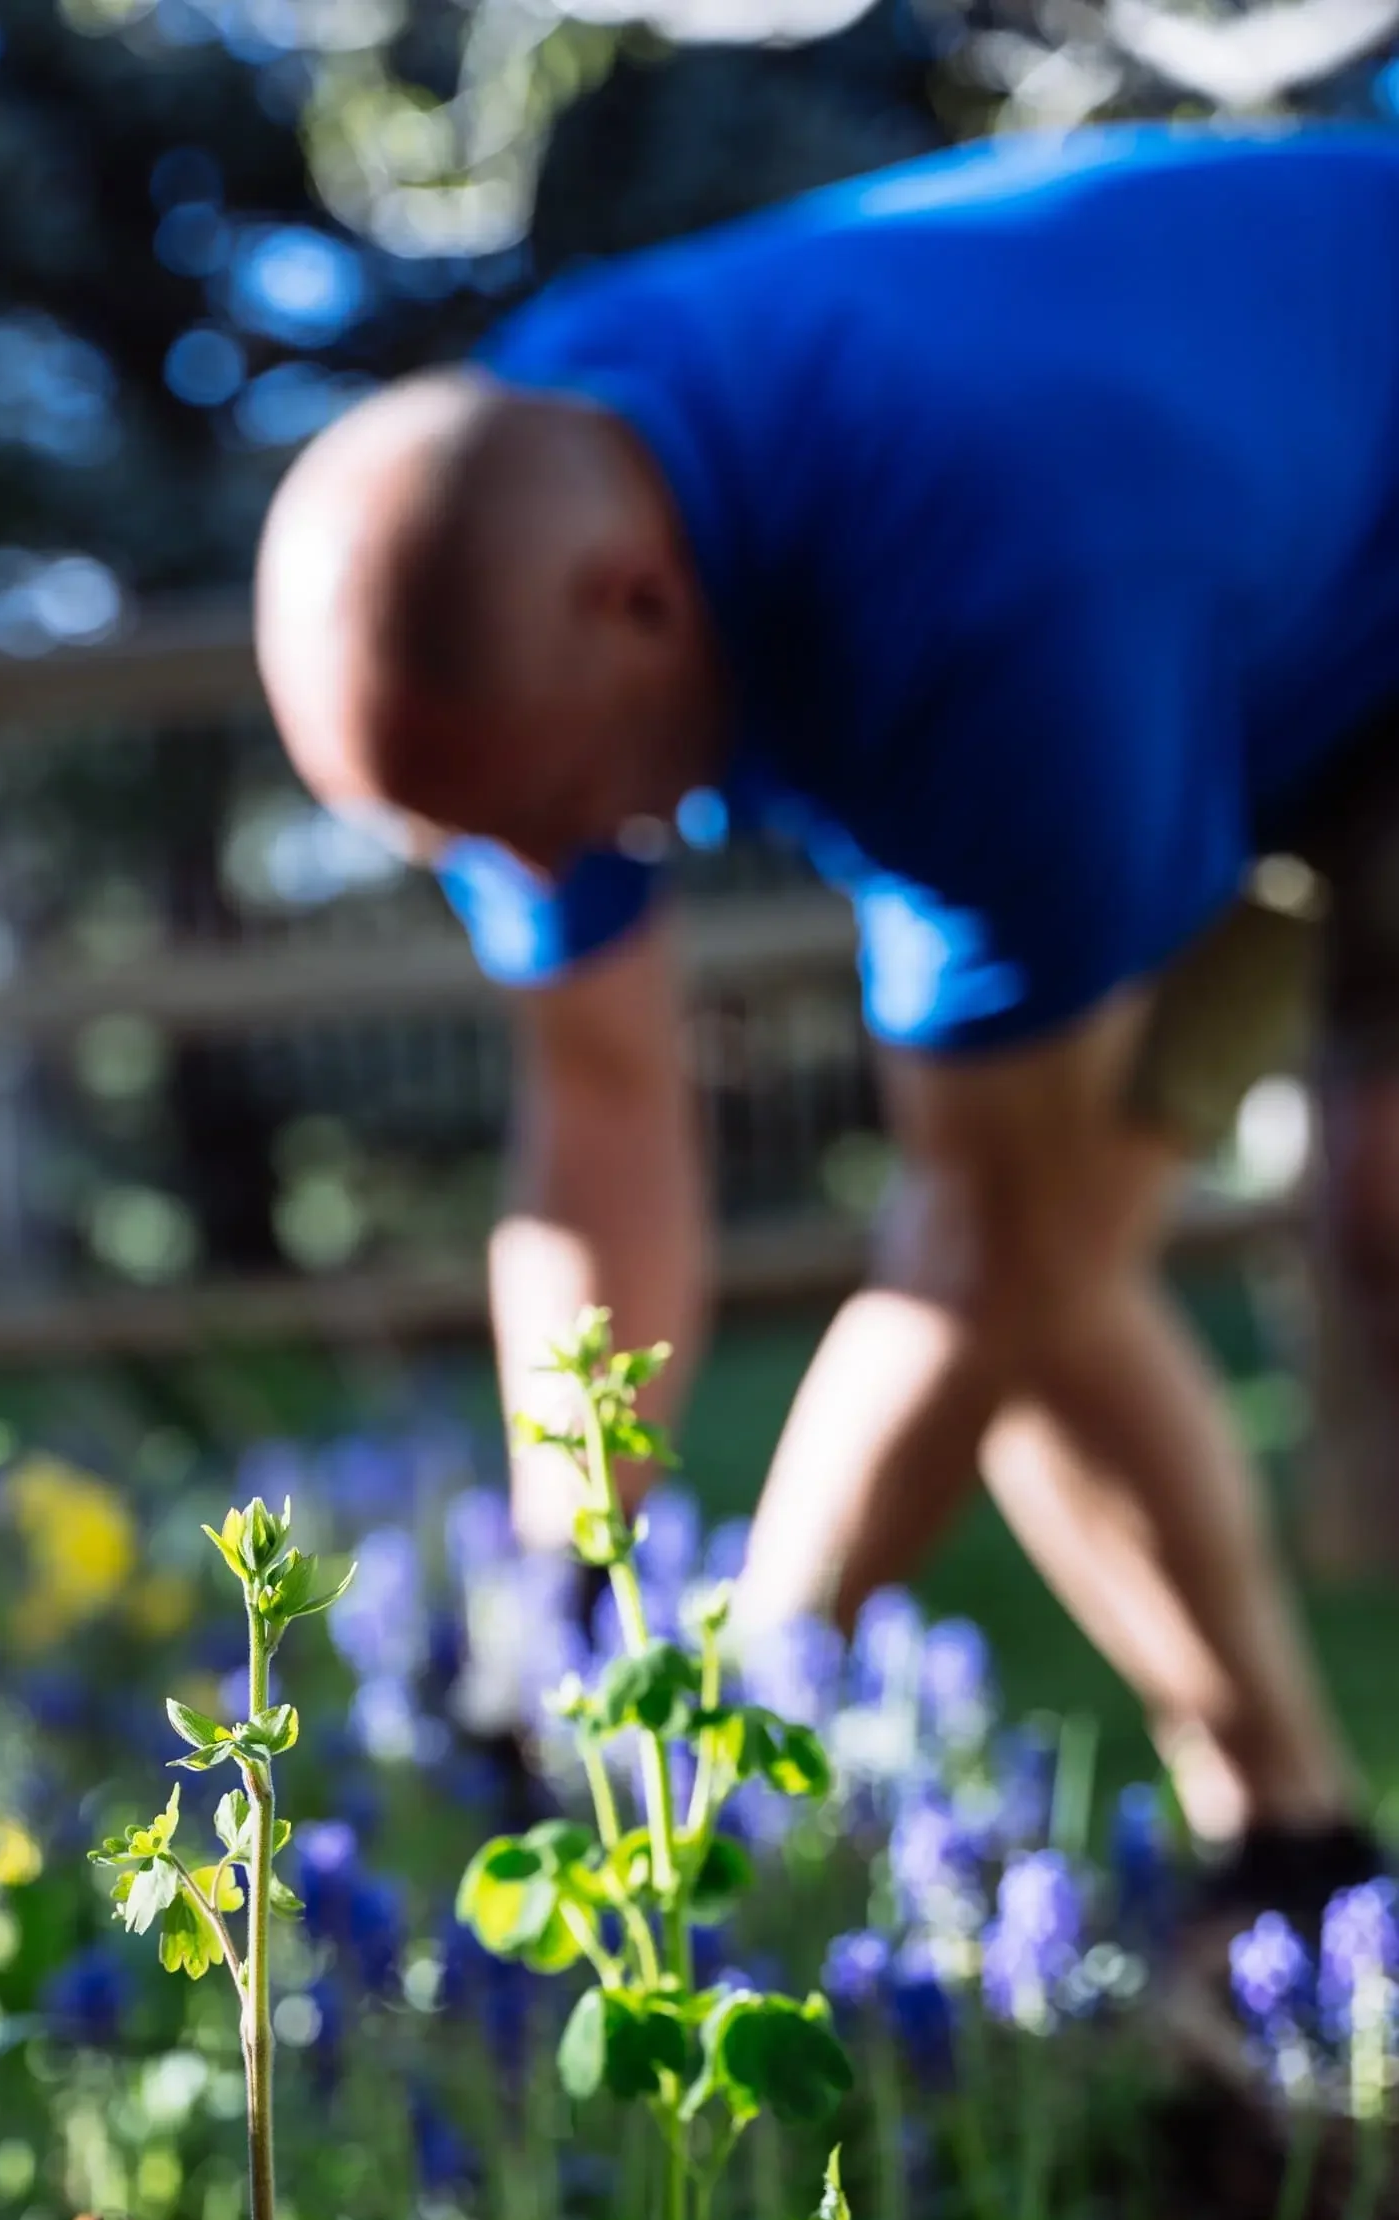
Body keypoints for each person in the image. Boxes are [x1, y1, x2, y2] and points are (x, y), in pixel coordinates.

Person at [254, 123, 1399, 1908]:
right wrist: (565, 1578)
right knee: (1045, 1255)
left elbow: (983, 1256)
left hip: (1309, 562)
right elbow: (602, 1108)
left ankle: (1293, 1854)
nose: (554, 871)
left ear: (645, 607)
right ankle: (1299, 1851)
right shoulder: (516, 557)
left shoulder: (987, 600)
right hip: (1206, 570)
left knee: (1291, 1212)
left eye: (560, 821)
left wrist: (700, 1713)